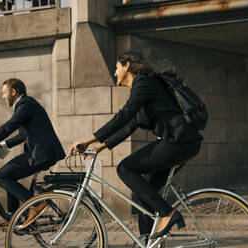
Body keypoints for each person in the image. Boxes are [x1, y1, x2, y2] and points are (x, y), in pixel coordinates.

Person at [70, 51, 202, 240]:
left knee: (125, 168)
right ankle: (146, 240)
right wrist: (100, 147)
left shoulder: (144, 83)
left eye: (116, 67)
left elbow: (124, 115)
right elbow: (131, 124)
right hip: (182, 142)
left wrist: (88, 139)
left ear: (127, 66)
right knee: (145, 196)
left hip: (178, 141)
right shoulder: (145, 87)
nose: (114, 72)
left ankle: (168, 214)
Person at [0, 78, 65, 228]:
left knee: (1, 176)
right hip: (42, 152)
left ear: (13, 92)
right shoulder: (27, 105)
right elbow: (22, 135)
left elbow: (9, 126)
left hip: (40, 153)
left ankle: (36, 204)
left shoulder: (25, 104)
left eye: (4, 92)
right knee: (9, 176)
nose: (2, 96)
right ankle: (15, 217)